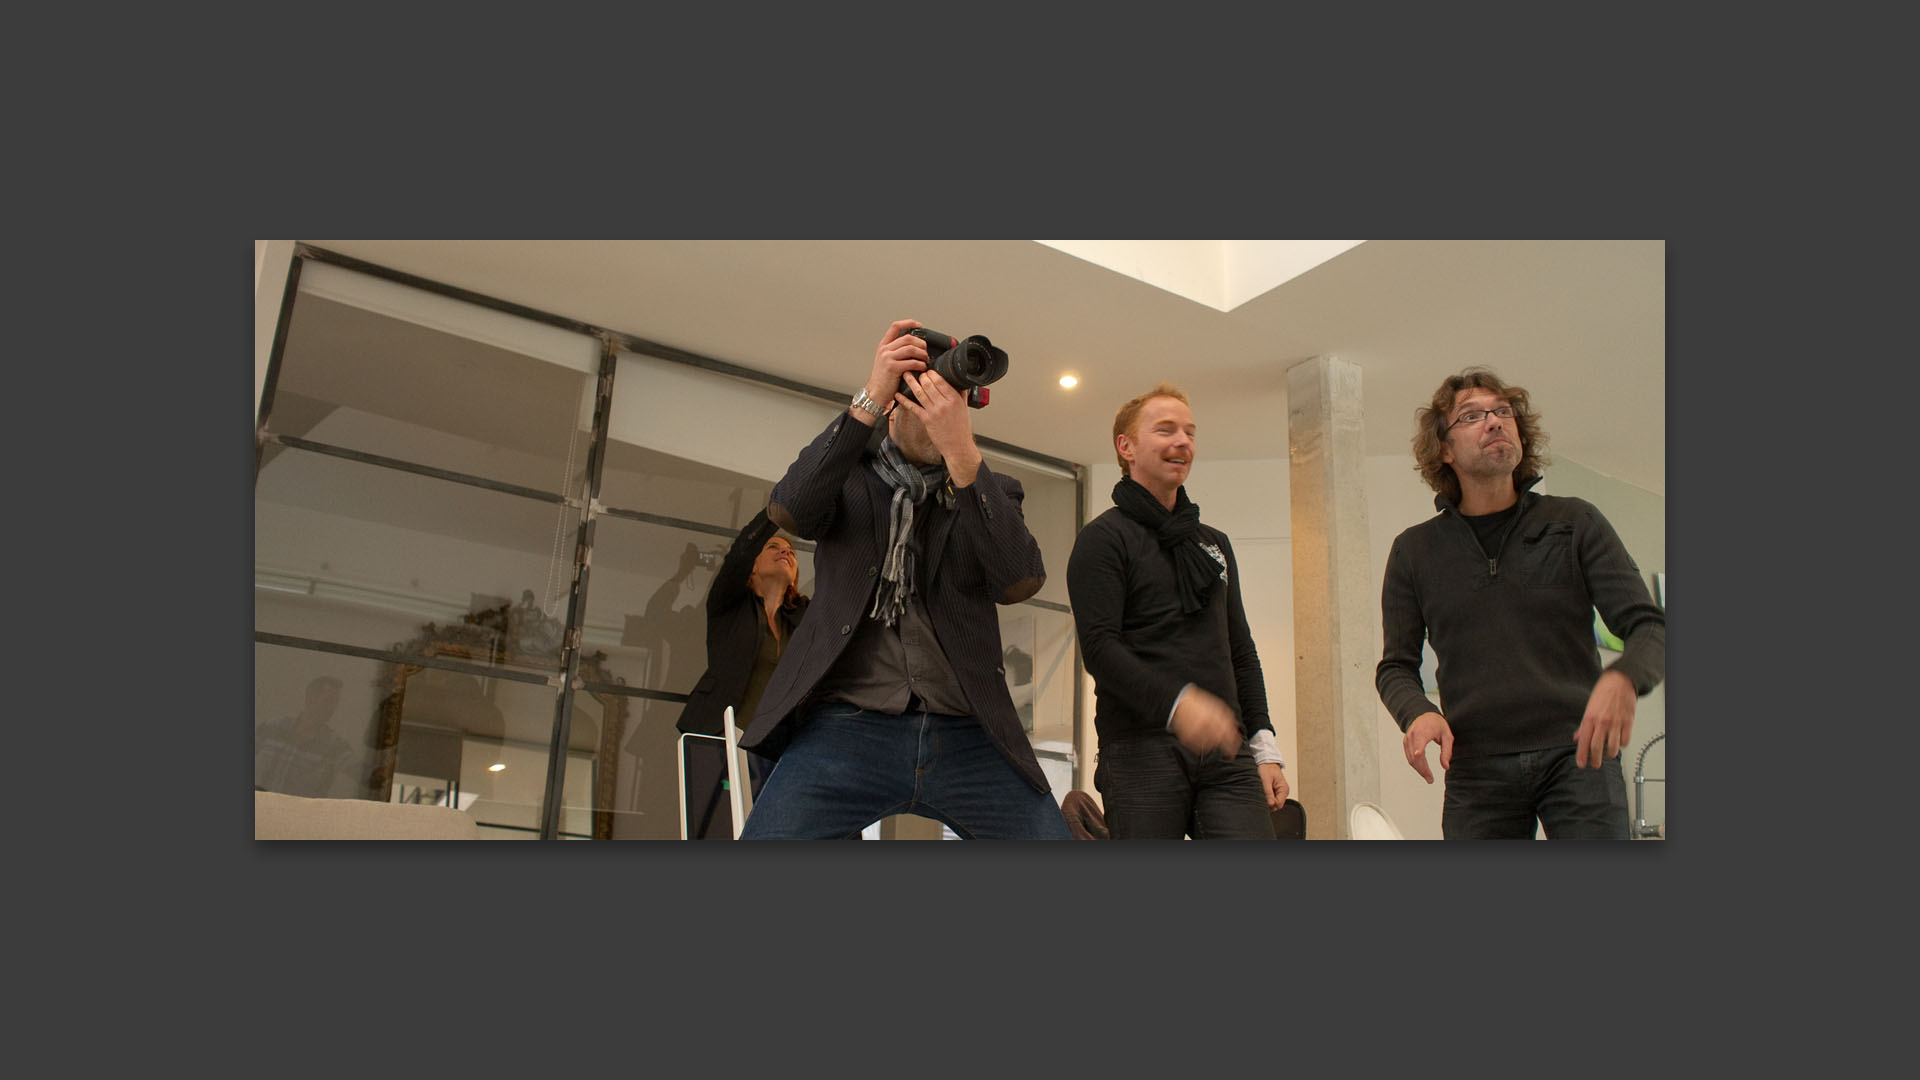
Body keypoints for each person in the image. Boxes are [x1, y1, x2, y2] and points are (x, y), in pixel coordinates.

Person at [735, 318, 1072, 839]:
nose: (941, 408)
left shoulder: (991, 489)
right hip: (848, 727)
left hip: (969, 733)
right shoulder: (848, 477)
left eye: (953, 399)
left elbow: (1020, 579)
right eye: (923, 398)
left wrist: (962, 453)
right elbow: (790, 509)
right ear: (893, 406)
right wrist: (870, 394)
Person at [1376, 367, 1665, 839]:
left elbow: (1649, 625)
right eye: (1472, 415)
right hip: (1476, 767)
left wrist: (1625, 676)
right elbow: (1395, 667)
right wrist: (1418, 712)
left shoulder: (1575, 522)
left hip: (1581, 754)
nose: (1494, 422)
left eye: (1503, 411)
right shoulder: (1414, 551)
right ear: (1444, 449)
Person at [1066, 383, 1289, 839]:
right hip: (1138, 749)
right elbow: (1100, 650)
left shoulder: (1214, 544)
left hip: (1228, 753)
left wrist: (1264, 747)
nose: (1183, 442)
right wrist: (1177, 703)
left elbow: (1240, 651)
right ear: (1125, 447)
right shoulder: (1102, 540)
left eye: (1190, 432)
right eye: (1165, 429)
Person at [675, 511, 809, 839]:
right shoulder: (729, 606)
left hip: (779, 757)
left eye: (791, 552)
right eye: (773, 547)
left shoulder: (805, 621)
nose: (786, 552)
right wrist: (776, 513)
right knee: (719, 833)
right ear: (753, 567)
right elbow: (738, 555)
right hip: (722, 746)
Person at [255, 675, 356, 798]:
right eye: (328, 701)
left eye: (335, 703)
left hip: (298, 815)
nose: (332, 708)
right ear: (310, 698)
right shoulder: (273, 727)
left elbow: (365, 775)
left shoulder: (336, 746)